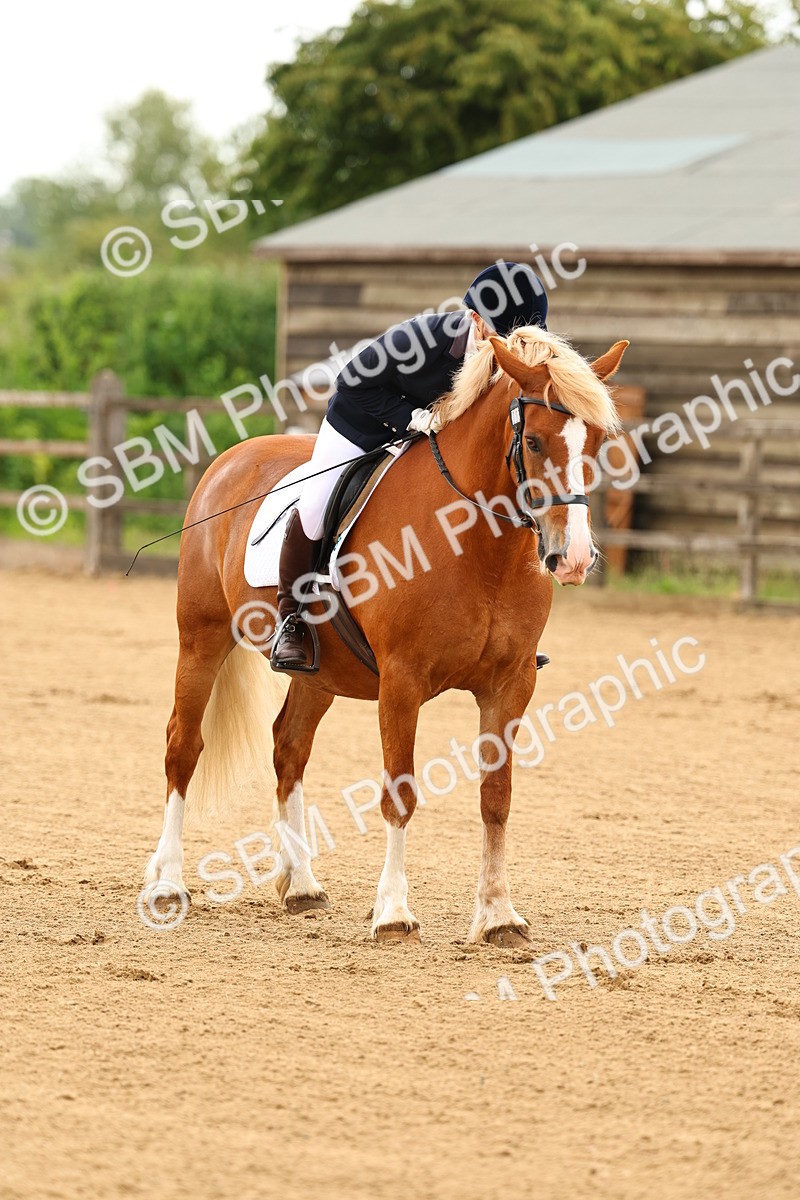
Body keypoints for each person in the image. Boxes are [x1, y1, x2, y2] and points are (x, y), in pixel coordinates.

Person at [271, 261, 549, 671]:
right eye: (503, 338)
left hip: (435, 441)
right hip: (361, 427)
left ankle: (501, 629)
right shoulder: (418, 339)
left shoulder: (516, 355)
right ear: (475, 319)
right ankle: (291, 618)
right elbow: (351, 380)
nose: (513, 351)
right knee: (314, 508)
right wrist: (410, 418)